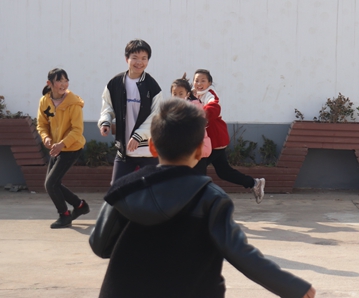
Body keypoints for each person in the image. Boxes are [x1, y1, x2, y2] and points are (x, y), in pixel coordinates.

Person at [89, 99, 316, 298]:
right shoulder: (210, 198)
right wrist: (292, 287)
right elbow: (240, 253)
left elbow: (99, 245)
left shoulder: (123, 189)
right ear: (200, 150)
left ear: (152, 146)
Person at [192, 68, 266, 203]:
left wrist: (200, 115)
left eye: (203, 81)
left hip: (215, 141)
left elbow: (214, 107)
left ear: (209, 83)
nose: (199, 84)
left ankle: (201, 200)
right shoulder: (192, 95)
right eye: (196, 80)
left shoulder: (210, 96)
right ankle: (254, 183)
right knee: (223, 172)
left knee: (197, 168)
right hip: (206, 142)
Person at [97, 39, 163, 183]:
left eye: (144, 58)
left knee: (153, 189)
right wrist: (105, 122)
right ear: (126, 59)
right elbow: (107, 106)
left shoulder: (152, 86)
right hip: (124, 151)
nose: (139, 62)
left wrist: (139, 135)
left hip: (148, 151)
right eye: (135, 58)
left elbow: (156, 116)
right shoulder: (115, 83)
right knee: (116, 188)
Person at [37, 68, 89, 229]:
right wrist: (46, 137)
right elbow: (42, 124)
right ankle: (80, 206)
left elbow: (77, 130)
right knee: (53, 183)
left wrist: (62, 144)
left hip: (71, 147)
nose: (63, 84)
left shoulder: (73, 103)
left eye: (66, 80)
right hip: (56, 148)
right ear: (49, 83)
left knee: (51, 184)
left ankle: (64, 215)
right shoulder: (44, 101)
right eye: (59, 80)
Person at [171, 74, 212, 158]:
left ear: (187, 94)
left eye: (181, 94)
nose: (177, 97)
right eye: (175, 94)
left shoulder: (192, 108)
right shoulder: (174, 109)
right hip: (189, 151)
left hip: (197, 149)